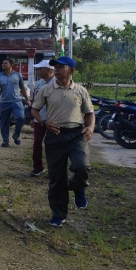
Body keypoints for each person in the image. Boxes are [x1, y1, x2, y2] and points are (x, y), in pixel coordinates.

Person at [30, 56, 94, 227]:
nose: (56, 70)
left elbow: (89, 114)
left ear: (71, 70)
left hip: (76, 134)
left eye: (61, 67)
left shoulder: (80, 91)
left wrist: (91, 128)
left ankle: (78, 187)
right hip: (55, 135)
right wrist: (43, 122)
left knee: (82, 166)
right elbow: (35, 109)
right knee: (57, 178)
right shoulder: (46, 90)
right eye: (55, 67)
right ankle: (58, 214)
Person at [0, 57, 30, 148]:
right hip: (4, 102)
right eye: (2, 63)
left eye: (5, 63)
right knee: (4, 122)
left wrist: (27, 99)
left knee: (21, 118)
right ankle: (5, 140)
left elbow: (22, 88)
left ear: (11, 65)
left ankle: (16, 135)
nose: (3, 65)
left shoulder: (18, 75)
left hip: (16, 101)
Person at [30, 59, 55, 176]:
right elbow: (35, 102)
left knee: (52, 145)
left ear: (50, 70)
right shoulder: (40, 83)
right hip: (39, 118)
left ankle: (53, 169)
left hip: (53, 119)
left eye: (40, 68)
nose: (38, 70)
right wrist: (33, 117)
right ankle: (38, 167)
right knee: (37, 144)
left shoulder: (57, 83)